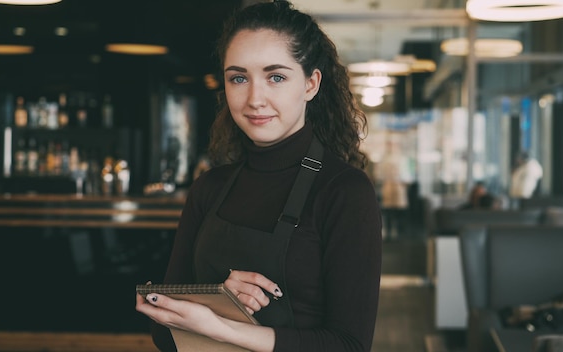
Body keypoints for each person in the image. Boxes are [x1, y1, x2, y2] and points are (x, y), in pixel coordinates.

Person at [135, 2, 383, 352]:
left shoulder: (344, 192)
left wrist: (223, 327)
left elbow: (349, 345)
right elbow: (163, 334)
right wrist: (219, 299)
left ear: (311, 84)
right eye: (239, 78)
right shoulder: (210, 187)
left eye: (276, 77)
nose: (254, 98)